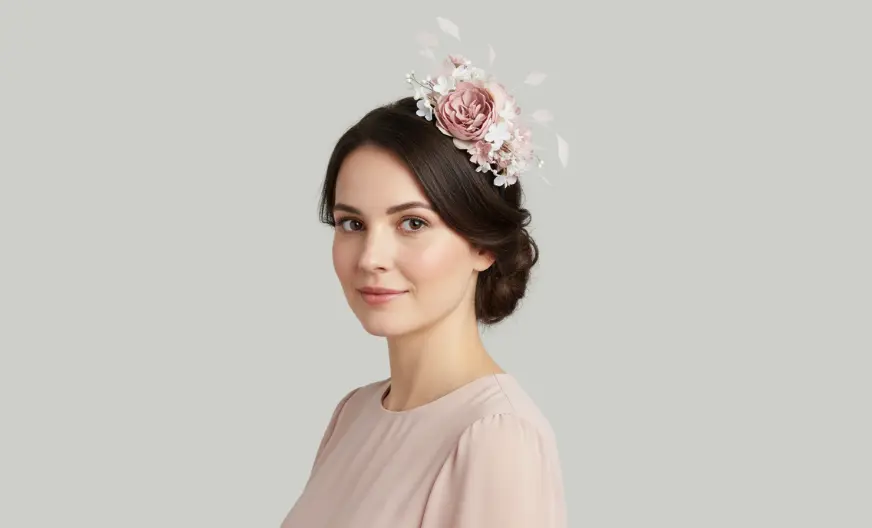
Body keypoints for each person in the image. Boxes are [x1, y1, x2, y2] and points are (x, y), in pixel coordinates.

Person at [280, 56, 566, 527]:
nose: (371, 256)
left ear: (483, 246)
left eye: (412, 223)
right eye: (352, 223)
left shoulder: (496, 437)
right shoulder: (354, 414)